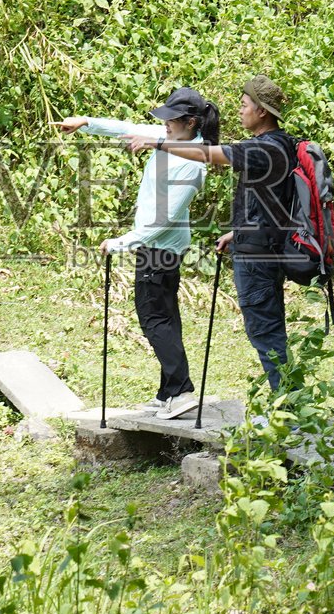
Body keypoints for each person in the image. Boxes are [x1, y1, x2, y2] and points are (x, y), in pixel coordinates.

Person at [54, 88, 221, 417]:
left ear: (190, 122)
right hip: (158, 246)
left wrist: (121, 242)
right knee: (165, 319)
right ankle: (167, 392)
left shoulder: (193, 161)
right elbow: (126, 128)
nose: (165, 124)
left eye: (171, 119)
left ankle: (181, 392)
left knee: (154, 320)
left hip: (159, 248)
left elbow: (165, 218)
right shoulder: (171, 137)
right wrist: (85, 122)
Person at [127, 75, 295, 393]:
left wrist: (157, 143)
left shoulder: (263, 148)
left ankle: (289, 408)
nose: (240, 111)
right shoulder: (283, 143)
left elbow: (207, 154)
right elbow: (273, 202)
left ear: (262, 111)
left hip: (258, 261)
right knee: (268, 332)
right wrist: (238, 232)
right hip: (262, 247)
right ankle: (288, 403)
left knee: (266, 335)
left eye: (244, 105)